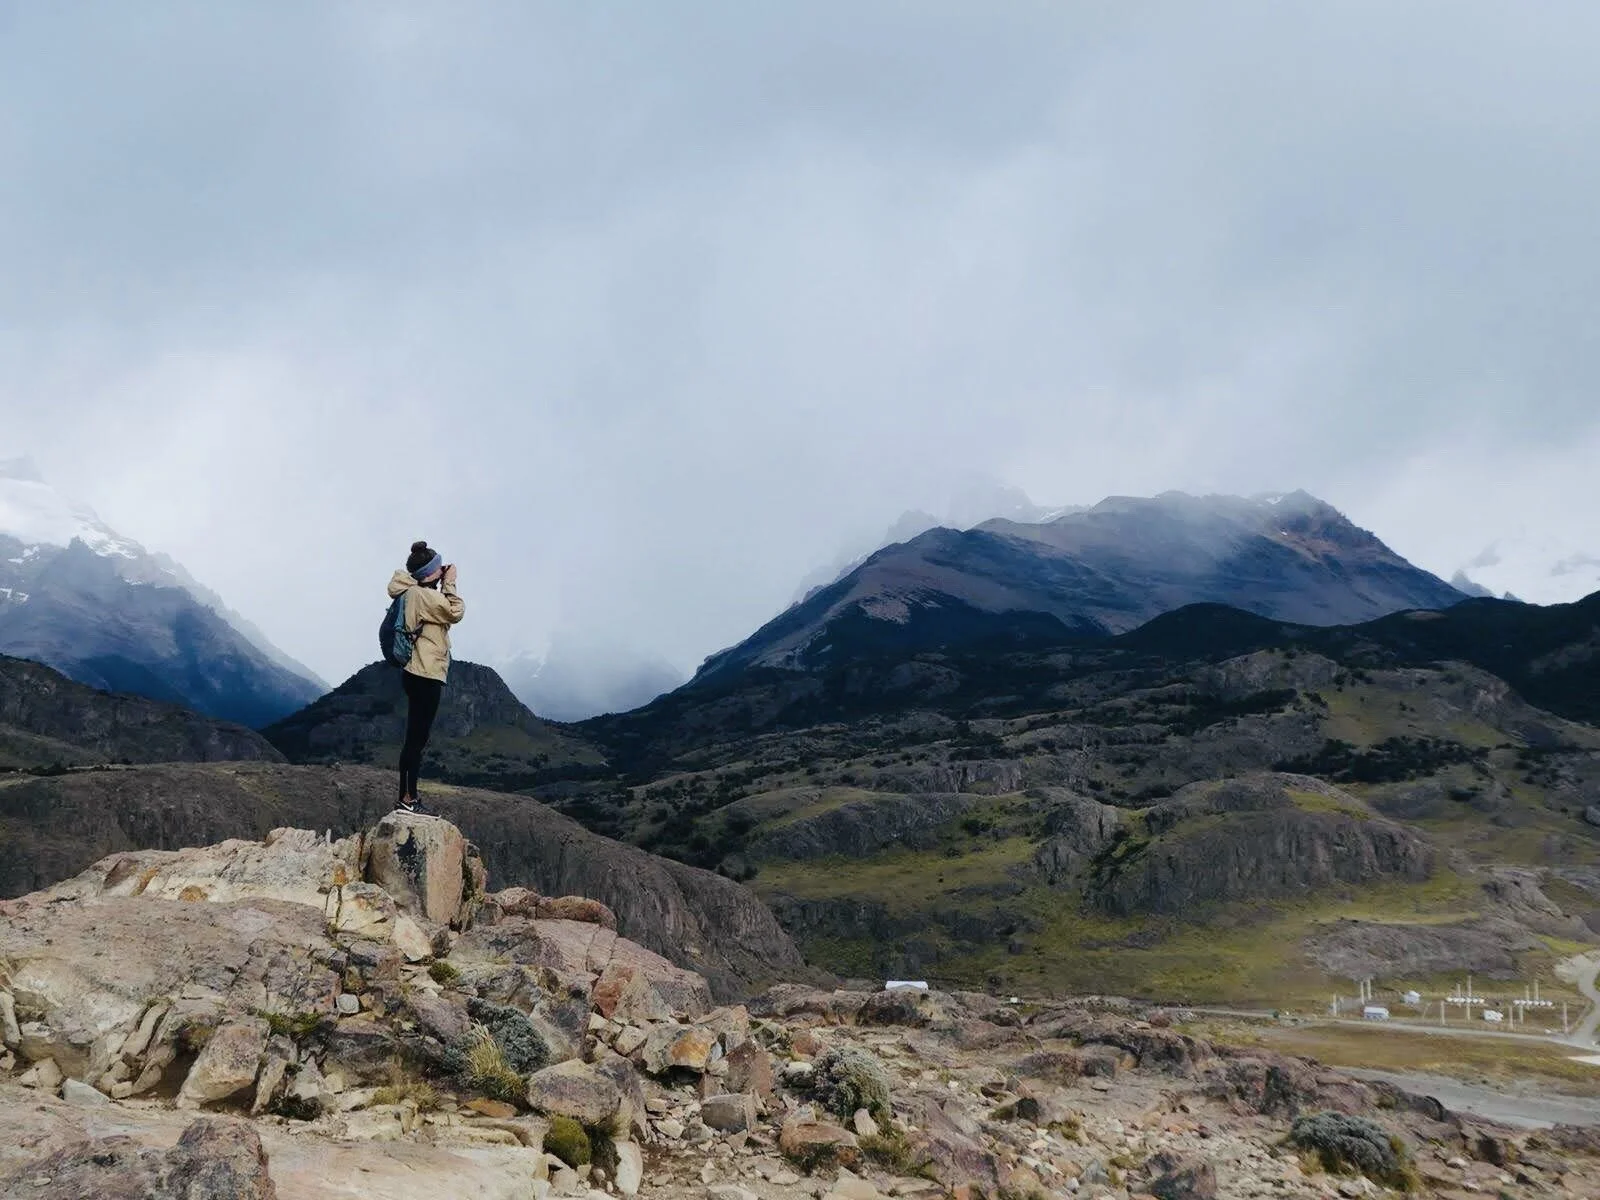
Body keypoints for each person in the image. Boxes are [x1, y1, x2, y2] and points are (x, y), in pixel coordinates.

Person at [387, 540, 465, 812]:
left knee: (414, 738)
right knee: (417, 739)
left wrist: (436, 581)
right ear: (429, 573)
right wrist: (451, 583)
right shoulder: (422, 595)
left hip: (415, 672)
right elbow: (455, 611)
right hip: (425, 672)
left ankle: (406, 797)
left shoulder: (413, 591)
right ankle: (408, 800)